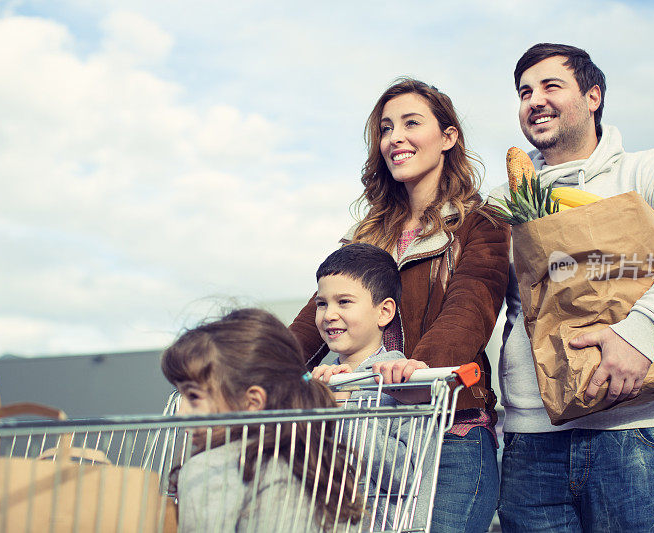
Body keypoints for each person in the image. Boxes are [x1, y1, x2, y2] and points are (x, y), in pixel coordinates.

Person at [495, 43, 654, 532]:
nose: (534, 100)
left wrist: (642, 331)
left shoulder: (645, 170)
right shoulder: (502, 201)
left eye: (550, 86)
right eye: (524, 92)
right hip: (530, 440)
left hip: (636, 433)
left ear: (593, 96)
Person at [290, 78, 509, 532]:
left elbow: (469, 309)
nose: (395, 138)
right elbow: (313, 321)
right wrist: (252, 374)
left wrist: (416, 373)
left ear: (448, 138)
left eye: (412, 123)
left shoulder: (478, 224)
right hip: (372, 432)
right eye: (386, 128)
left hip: (450, 430)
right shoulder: (368, 235)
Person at [161, 308, 363, 532]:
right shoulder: (316, 464)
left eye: (194, 396)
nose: (182, 413)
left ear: (253, 401)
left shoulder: (209, 470)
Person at [309, 242, 437, 530]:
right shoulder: (320, 381)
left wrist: (343, 408)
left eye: (344, 302)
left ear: (384, 312)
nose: (328, 314)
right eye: (321, 303)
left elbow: (403, 475)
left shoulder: (403, 381)